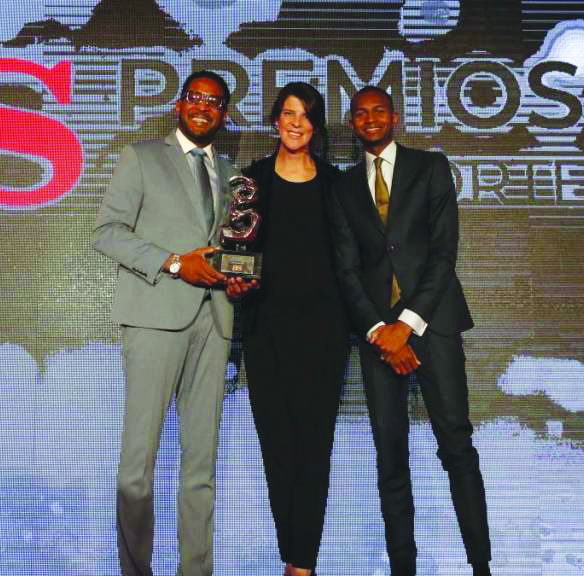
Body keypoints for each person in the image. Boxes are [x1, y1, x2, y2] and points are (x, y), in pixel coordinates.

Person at [92, 70, 252, 576]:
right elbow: (107, 233)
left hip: (216, 321)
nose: (204, 107)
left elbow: (232, 248)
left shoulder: (232, 174)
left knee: (200, 468)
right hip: (155, 317)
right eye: (196, 98)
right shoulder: (141, 157)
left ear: (224, 114)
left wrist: (238, 278)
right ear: (179, 104)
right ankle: (135, 570)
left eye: (216, 101)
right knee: (136, 470)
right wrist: (176, 262)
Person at [328, 85, 492, 576]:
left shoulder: (431, 167)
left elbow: (444, 253)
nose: (370, 119)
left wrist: (407, 323)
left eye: (379, 111)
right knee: (390, 454)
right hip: (379, 336)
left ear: (394, 117)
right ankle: (403, 567)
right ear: (353, 123)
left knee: (456, 444)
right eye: (361, 113)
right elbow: (345, 269)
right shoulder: (342, 186)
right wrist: (381, 329)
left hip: (433, 324)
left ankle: (480, 564)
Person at [236, 82, 348, 576]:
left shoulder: (337, 184)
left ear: (317, 124)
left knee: (314, 445)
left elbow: (354, 259)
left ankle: (303, 563)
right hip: (266, 330)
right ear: (275, 120)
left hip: (325, 332)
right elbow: (238, 253)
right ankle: (292, 554)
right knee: (277, 444)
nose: (295, 122)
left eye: (304, 114)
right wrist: (236, 284)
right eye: (287, 112)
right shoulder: (252, 180)